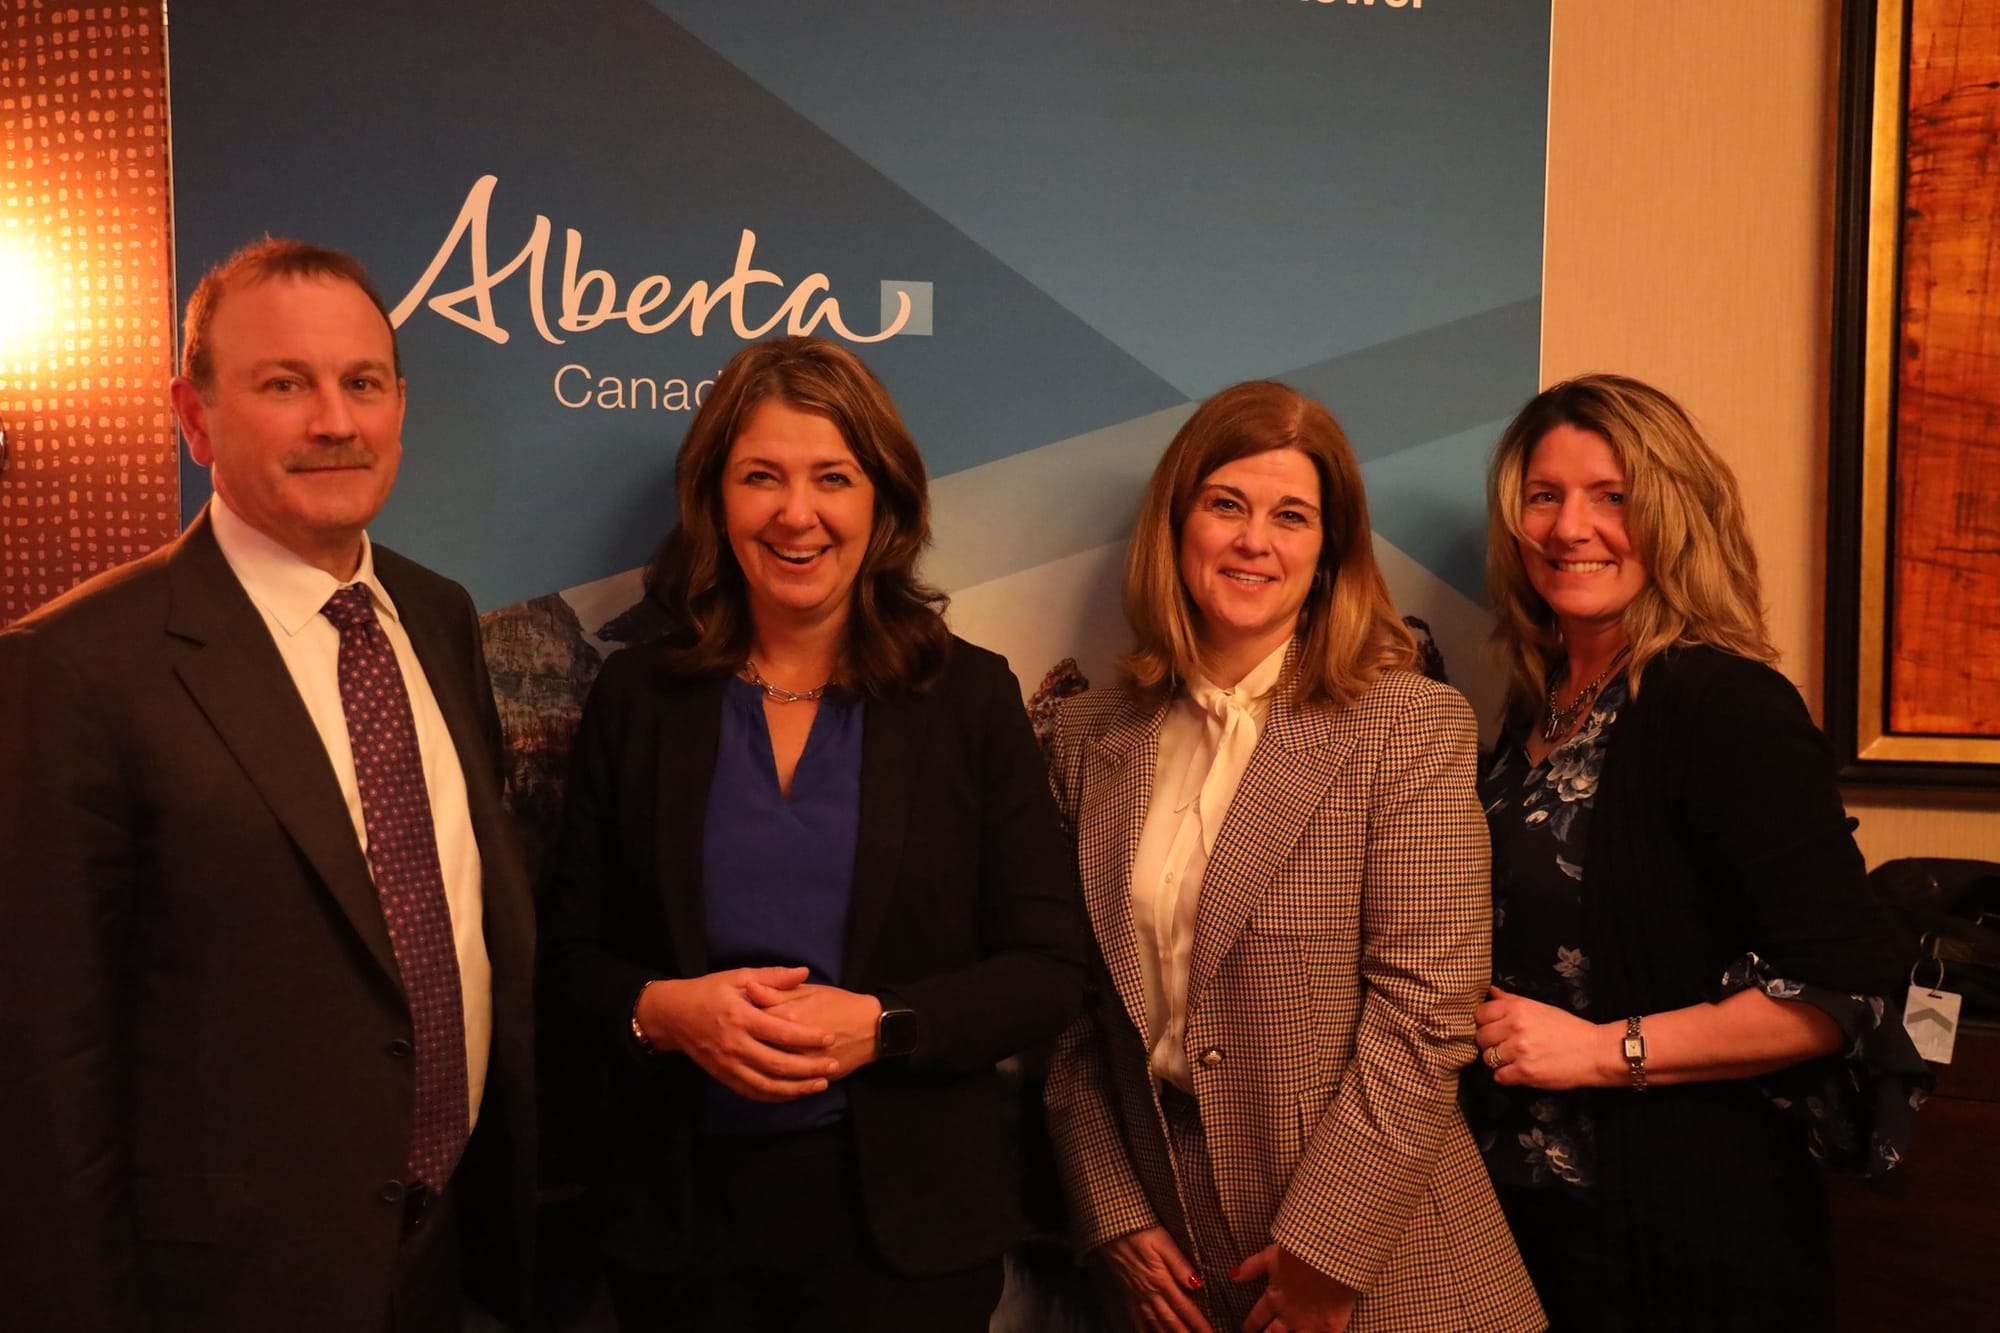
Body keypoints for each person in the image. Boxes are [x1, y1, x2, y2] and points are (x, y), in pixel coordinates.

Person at [0, 239, 537, 1331]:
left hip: (443, 1263)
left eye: (363, 383)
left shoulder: (438, 617)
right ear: (193, 418)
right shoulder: (74, 665)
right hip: (225, 1289)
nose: (333, 420)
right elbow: (48, 1064)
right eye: (284, 384)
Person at [539, 335, 1087, 1332]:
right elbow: (567, 962)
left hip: (906, 1240)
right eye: (762, 477)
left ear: (881, 500)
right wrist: (664, 1011)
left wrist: (884, 1027)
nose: (797, 513)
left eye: (831, 477)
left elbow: (1047, 967)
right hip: (679, 1235)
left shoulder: (967, 697)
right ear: (715, 499)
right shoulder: (637, 698)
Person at [1045, 381, 1544, 1333]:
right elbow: (1070, 1014)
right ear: (1176, 524)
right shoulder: (1083, 737)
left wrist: (1329, 1250)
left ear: (1328, 552)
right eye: (1226, 504)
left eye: (1291, 516)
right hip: (1172, 1273)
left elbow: (1429, 1010)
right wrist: (1111, 1213)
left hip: (1385, 1259)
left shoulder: (1407, 723)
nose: (1253, 540)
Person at [1466, 373, 1923, 1331]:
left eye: (1612, 497)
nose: (1568, 527)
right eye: (1543, 496)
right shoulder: (1532, 710)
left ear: (1673, 514)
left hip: (1683, 1234)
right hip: (1521, 1227)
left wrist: (1601, 1051)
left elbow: (1845, 989)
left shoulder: (1723, 705)